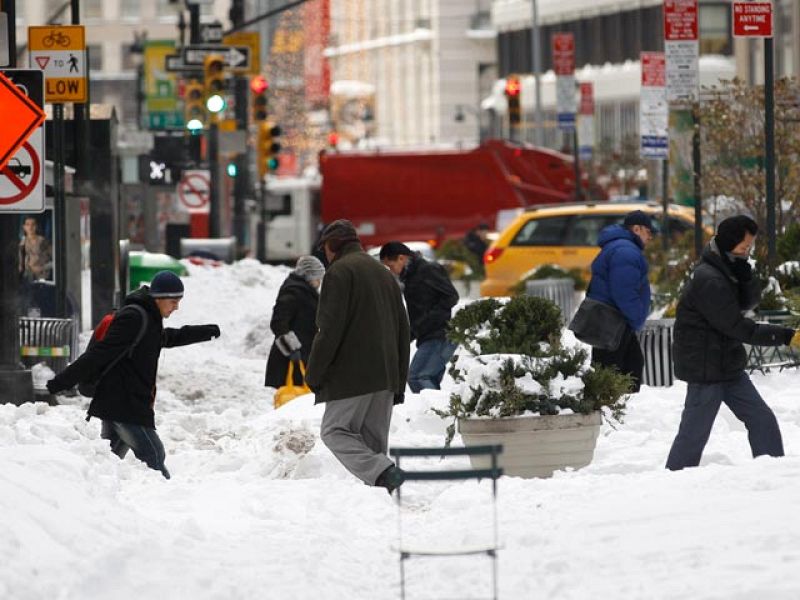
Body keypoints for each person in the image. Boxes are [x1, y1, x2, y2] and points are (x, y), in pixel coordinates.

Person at [46, 271, 221, 479]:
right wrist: (60, 382)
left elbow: (166, 337)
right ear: (159, 298)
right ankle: (165, 499)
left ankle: (92, 498)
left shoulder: (149, 318)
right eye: (173, 301)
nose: (176, 307)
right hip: (125, 405)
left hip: (120, 403)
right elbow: (98, 355)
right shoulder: (134, 318)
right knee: (154, 454)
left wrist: (204, 332)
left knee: (107, 462)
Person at [666, 216, 800, 471]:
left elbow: (747, 305)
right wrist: (785, 336)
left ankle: (771, 473)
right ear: (729, 244)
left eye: (749, 247)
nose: (747, 252)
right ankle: (674, 481)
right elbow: (737, 326)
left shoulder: (726, 267)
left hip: (727, 365)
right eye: (743, 247)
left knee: (762, 420)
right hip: (706, 368)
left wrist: (745, 272)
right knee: (694, 435)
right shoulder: (710, 279)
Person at [306, 220, 410, 493]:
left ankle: (386, 473)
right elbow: (402, 329)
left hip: (352, 375)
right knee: (372, 446)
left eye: (324, 250)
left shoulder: (339, 272)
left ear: (331, 246)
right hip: (386, 373)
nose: (324, 256)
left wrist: (314, 372)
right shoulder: (384, 273)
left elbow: (328, 330)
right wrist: (399, 380)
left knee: (335, 431)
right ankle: (383, 496)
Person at [586, 210, 653, 392]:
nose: (650, 238)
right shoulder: (625, 251)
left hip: (613, 320)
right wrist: (637, 317)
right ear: (637, 229)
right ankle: (614, 414)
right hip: (614, 321)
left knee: (629, 367)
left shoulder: (621, 247)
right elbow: (624, 292)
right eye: (649, 232)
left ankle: (621, 412)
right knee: (618, 374)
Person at [401, 250, 459, 392]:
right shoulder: (411, 276)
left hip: (439, 334)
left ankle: (436, 412)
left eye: (390, 265)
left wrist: (427, 321)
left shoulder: (427, 270)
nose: (391, 270)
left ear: (401, 258)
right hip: (430, 335)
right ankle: (436, 411)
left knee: (419, 377)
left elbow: (451, 296)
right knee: (427, 378)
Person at [265, 255, 325, 388]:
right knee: (292, 401)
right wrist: (293, 349)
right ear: (308, 275)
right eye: (317, 278)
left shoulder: (305, 291)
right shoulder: (294, 291)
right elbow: (278, 323)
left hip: (302, 355)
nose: (319, 282)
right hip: (290, 359)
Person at [18, 216, 52, 282]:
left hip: (43, 278)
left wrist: (43, 268)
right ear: (24, 227)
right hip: (27, 279)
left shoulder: (43, 241)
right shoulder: (21, 243)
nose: (30, 227)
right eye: (27, 224)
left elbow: (56, 260)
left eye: (33, 224)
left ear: (36, 226)